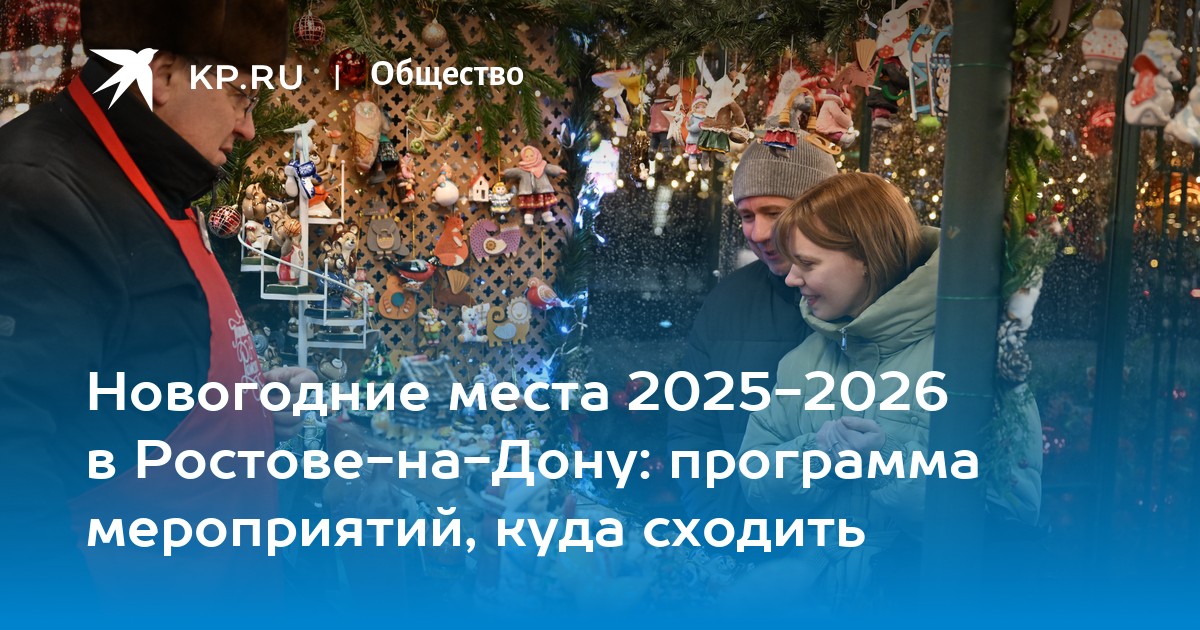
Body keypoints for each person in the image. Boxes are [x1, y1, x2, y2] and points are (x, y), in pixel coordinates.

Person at [0, 0, 316, 609]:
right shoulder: (37, 191)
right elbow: (11, 459)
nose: (248, 128)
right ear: (163, 75)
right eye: (242, 99)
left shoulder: (152, 178)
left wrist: (247, 402)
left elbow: (140, 362)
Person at [738, 172, 1042, 605]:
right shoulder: (801, 362)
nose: (791, 278)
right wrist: (816, 457)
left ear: (865, 257)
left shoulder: (973, 362)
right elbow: (754, 481)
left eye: (807, 263)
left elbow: (1012, 509)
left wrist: (889, 465)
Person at [667, 140, 838, 524]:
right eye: (746, 215)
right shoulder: (727, 301)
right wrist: (716, 520)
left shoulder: (873, 298)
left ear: (823, 210)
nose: (758, 232)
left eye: (774, 212)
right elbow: (693, 426)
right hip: (741, 532)